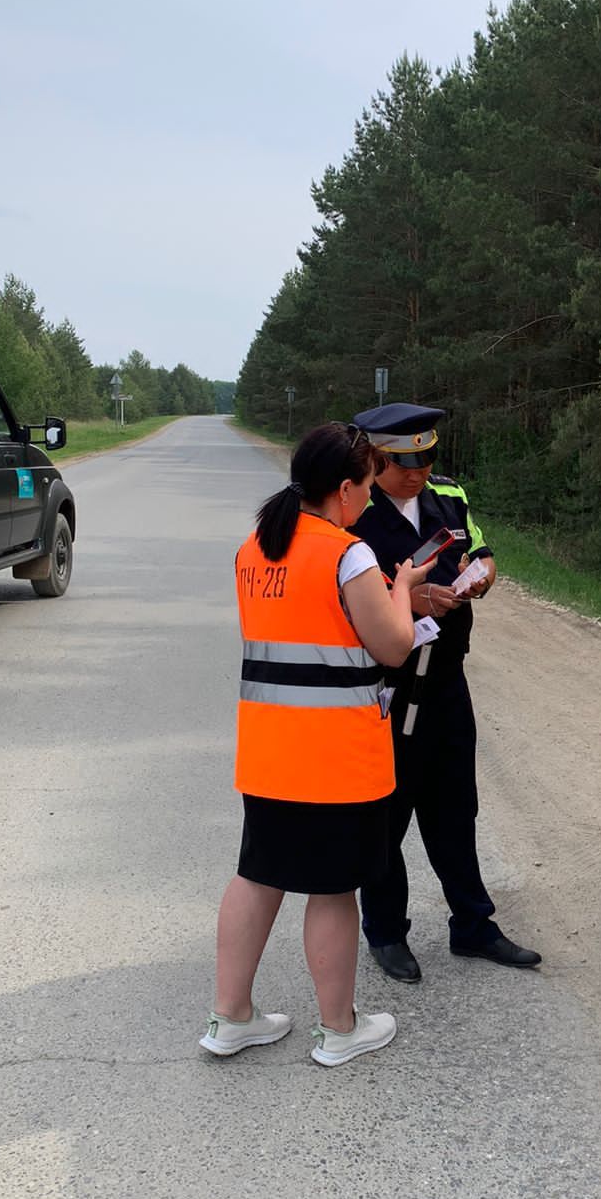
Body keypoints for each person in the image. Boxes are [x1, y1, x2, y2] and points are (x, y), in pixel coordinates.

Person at [200, 422, 432, 1066]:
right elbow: (391, 645)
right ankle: (338, 1030)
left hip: (270, 748)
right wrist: (404, 589)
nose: (369, 497)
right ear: (344, 488)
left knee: (258, 875)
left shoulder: (255, 546)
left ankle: (231, 1017)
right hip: (336, 755)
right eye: (365, 485)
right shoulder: (346, 552)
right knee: (332, 890)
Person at [348, 401, 542, 982]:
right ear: (374, 459)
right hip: (388, 683)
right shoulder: (353, 511)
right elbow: (340, 592)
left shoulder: (448, 497)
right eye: (404, 463)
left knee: (457, 806)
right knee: (388, 813)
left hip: (448, 676)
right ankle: (386, 932)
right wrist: (403, 600)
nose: (418, 473)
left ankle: (474, 925)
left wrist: (483, 574)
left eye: (427, 459)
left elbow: (478, 548)